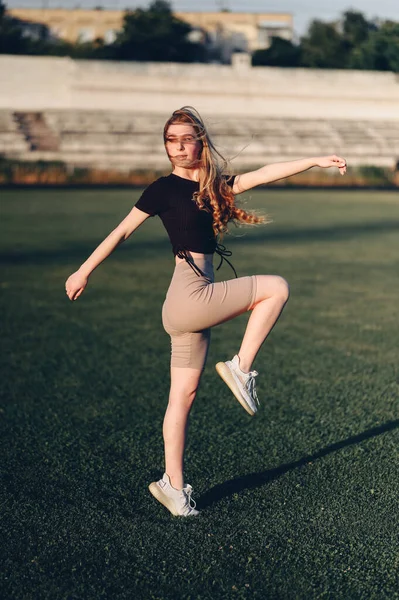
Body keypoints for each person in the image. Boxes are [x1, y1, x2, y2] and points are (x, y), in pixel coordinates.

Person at [65, 106, 347, 518]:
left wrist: (315, 161)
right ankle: (240, 367)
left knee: (183, 397)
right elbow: (122, 230)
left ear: (200, 142)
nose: (178, 148)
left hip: (192, 300)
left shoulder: (217, 186)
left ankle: (173, 487)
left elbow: (267, 173)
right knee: (276, 288)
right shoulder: (161, 189)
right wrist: (83, 270)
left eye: (185, 139)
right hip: (187, 297)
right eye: (170, 140)